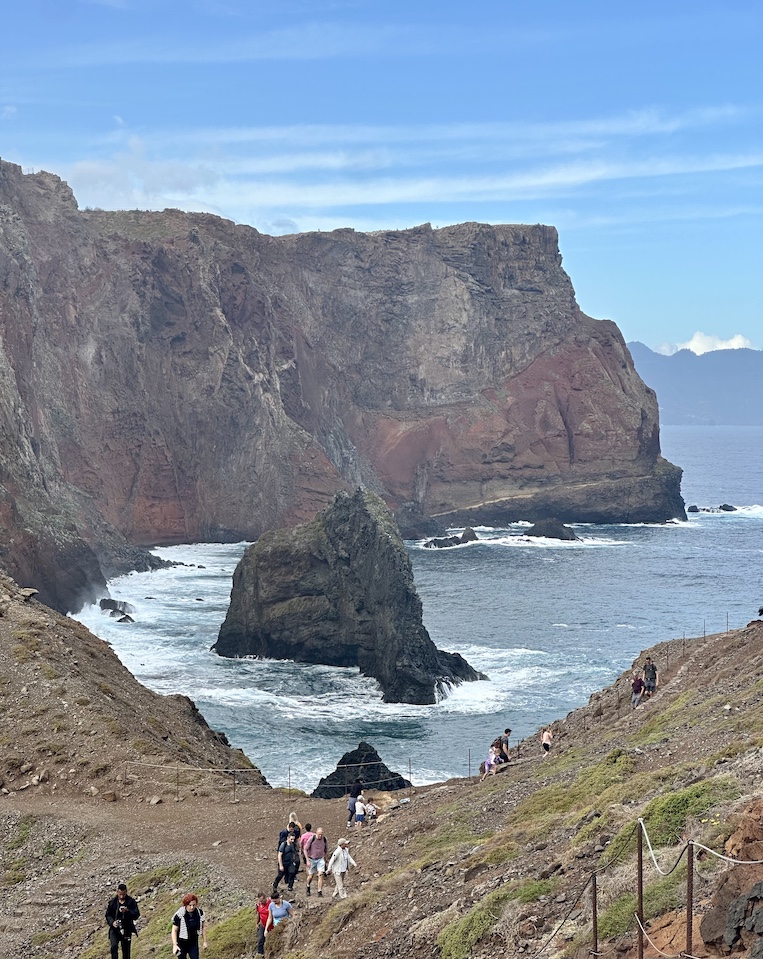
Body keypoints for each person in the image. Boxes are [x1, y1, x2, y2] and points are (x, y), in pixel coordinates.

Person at [106, 882, 140, 959]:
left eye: (123, 894)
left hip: (127, 928)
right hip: (115, 929)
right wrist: (112, 922)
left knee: (126, 951)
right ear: (117, 892)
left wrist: (128, 911)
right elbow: (108, 915)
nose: (121, 896)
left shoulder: (131, 902)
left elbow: (136, 915)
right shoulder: (112, 902)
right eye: (120, 894)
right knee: (114, 947)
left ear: (126, 892)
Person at [171, 893, 207, 958]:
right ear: (186, 904)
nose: (192, 907)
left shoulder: (199, 913)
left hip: (193, 942)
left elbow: (203, 927)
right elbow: (174, 930)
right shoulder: (179, 915)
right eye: (190, 905)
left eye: (194, 905)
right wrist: (174, 944)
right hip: (181, 943)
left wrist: (204, 941)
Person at [304, 826, 329, 897]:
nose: (320, 836)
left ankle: (319, 891)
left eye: (321, 834)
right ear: (316, 833)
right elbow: (305, 849)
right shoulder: (312, 839)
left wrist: (326, 860)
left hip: (320, 859)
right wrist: (307, 860)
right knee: (311, 876)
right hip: (312, 859)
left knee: (320, 875)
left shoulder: (324, 839)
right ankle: (308, 886)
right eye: (319, 834)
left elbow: (326, 850)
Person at [255, 892, 271, 956]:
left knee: (270, 939)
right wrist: (257, 923)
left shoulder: (271, 903)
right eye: (260, 901)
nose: (261, 902)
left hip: (271, 924)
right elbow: (258, 914)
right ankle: (260, 954)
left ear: (265, 898)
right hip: (263, 924)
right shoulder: (259, 905)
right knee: (260, 939)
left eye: (262, 901)